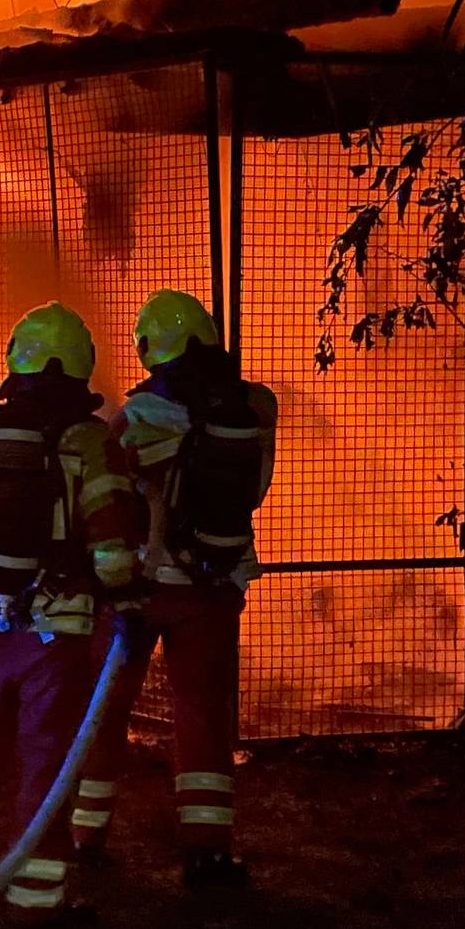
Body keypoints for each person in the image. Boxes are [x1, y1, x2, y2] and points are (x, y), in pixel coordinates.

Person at [0, 302, 144, 921]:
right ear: (80, 366)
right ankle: (34, 895)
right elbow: (109, 538)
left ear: (15, 361)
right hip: (57, 628)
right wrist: (125, 595)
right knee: (47, 753)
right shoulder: (90, 442)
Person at [69, 288, 276, 889]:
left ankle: (85, 837)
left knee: (106, 707)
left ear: (148, 347)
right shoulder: (254, 407)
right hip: (214, 582)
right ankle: (207, 853)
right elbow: (254, 492)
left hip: (139, 585)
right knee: (203, 713)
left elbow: (106, 496)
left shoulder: (138, 415)